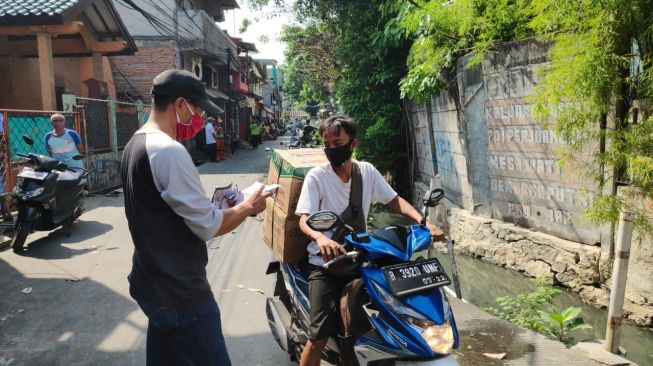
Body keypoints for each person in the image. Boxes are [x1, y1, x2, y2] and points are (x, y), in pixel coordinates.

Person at [120, 69, 271, 366]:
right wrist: (248, 205)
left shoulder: (135, 143)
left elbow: (167, 211)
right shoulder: (168, 151)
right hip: (181, 294)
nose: (200, 117)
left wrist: (224, 206)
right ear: (179, 105)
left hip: (153, 284)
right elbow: (209, 226)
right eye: (198, 109)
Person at [295, 115, 444, 366]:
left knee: (396, 310)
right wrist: (321, 238)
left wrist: (423, 223)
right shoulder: (317, 177)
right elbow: (303, 219)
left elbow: (395, 201)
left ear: (352, 144)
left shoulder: (366, 171)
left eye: (338, 142)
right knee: (318, 337)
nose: (332, 149)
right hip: (326, 264)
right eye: (327, 144)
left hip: (362, 258)